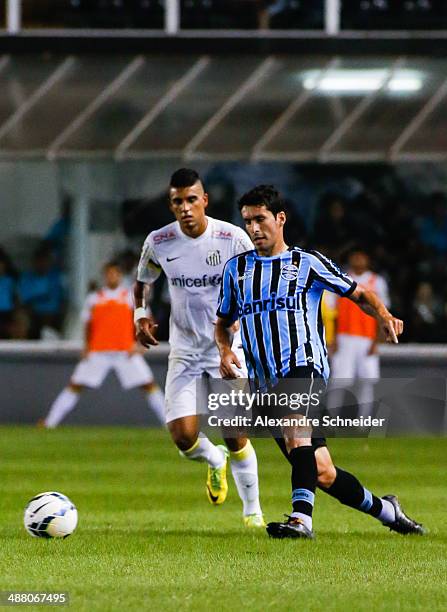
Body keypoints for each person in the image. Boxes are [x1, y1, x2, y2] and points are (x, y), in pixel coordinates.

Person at [215, 184, 424, 539]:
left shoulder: (306, 263)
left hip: (304, 367)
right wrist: (224, 350)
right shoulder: (236, 270)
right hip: (264, 381)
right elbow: (222, 322)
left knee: (298, 437)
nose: (253, 229)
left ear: (280, 219)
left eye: (260, 219)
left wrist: (384, 315)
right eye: (247, 221)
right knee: (322, 471)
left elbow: (359, 293)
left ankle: (301, 521)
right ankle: (388, 511)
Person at [134, 168, 264, 528]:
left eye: (192, 199)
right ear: (171, 204)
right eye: (178, 201)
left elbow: (258, 277)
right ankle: (214, 461)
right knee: (183, 436)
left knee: (235, 432)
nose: (186, 208)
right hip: (186, 350)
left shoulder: (232, 238)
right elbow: (144, 280)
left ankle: (252, 511)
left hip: (229, 348)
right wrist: (141, 315)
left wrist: (245, 317)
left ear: (204, 200)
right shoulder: (159, 241)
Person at [43, 261, 164, 428]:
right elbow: (88, 325)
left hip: (124, 351)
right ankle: (49, 422)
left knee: (149, 385)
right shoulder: (94, 298)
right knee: (75, 385)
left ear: (120, 276)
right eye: (108, 274)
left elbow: (148, 322)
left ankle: (170, 425)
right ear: (104, 276)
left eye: (114, 273)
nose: (111, 277)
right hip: (98, 351)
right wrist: (87, 347)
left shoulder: (131, 296)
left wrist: (141, 346)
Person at [328, 248, 390, 418]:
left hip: (366, 338)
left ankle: (364, 421)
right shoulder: (341, 279)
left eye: (362, 257)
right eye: (355, 257)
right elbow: (333, 312)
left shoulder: (377, 282)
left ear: (368, 260)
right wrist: (333, 338)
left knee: (367, 381)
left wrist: (376, 341)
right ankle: (331, 419)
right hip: (344, 336)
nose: (358, 260)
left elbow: (383, 312)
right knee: (339, 381)